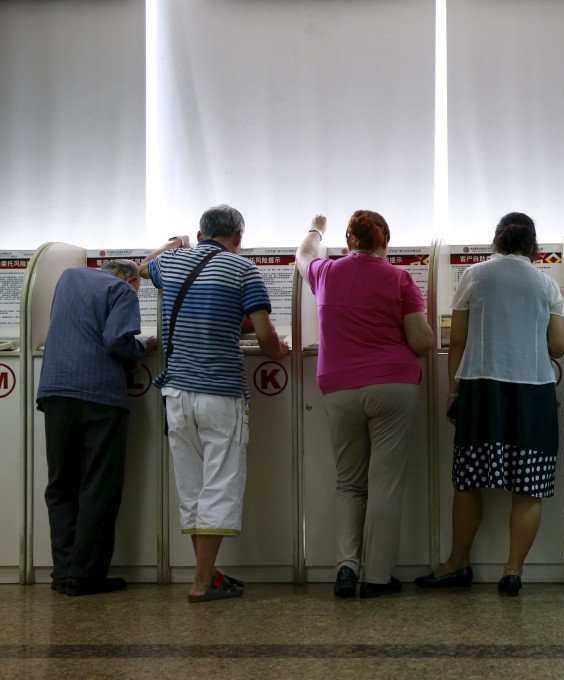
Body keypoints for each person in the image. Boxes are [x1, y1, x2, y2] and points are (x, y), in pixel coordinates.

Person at [416, 212, 564, 596]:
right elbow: (560, 345)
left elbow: (457, 341)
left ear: (497, 241)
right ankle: (513, 570)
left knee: (469, 482)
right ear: (533, 246)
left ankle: (457, 563)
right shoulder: (547, 284)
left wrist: (453, 393)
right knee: (529, 486)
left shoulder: (476, 275)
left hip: (481, 388)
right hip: (533, 392)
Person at [140, 204, 289, 603]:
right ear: (238, 237)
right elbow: (265, 337)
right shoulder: (243, 270)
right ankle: (202, 583)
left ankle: (207, 574)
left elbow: (142, 268)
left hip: (176, 394)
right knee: (220, 485)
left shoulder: (171, 264)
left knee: (192, 487)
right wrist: (280, 351)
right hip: (220, 395)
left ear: (200, 232)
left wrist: (174, 242)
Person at [295, 211, 433, 599]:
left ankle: (345, 568)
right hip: (393, 384)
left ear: (349, 242)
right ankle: (377, 578)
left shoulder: (325, 272)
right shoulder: (401, 278)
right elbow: (421, 341)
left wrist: (316, 228)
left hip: (338, 386)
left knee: (349, 482)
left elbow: (303, 253)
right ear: (385, 242)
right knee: (384, 483)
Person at [36, 260, 159, 596]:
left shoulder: (68, 276)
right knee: (98, 486)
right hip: (100, 395)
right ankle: (86, 576)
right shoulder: (122, 289)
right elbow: (118, 340)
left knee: (61, 485)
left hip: (55, 392)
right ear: (134, 280)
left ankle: (63, 572)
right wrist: (142, 347)